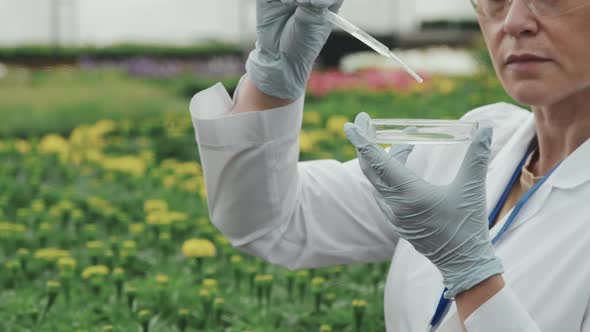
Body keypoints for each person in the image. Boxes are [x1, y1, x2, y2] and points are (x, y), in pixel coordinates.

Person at [189, 0, 590, 330]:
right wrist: (273, 77)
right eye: (495, 0)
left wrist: (474, 276)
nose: (514, 21)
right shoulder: (471, 143)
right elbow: (271, 221)